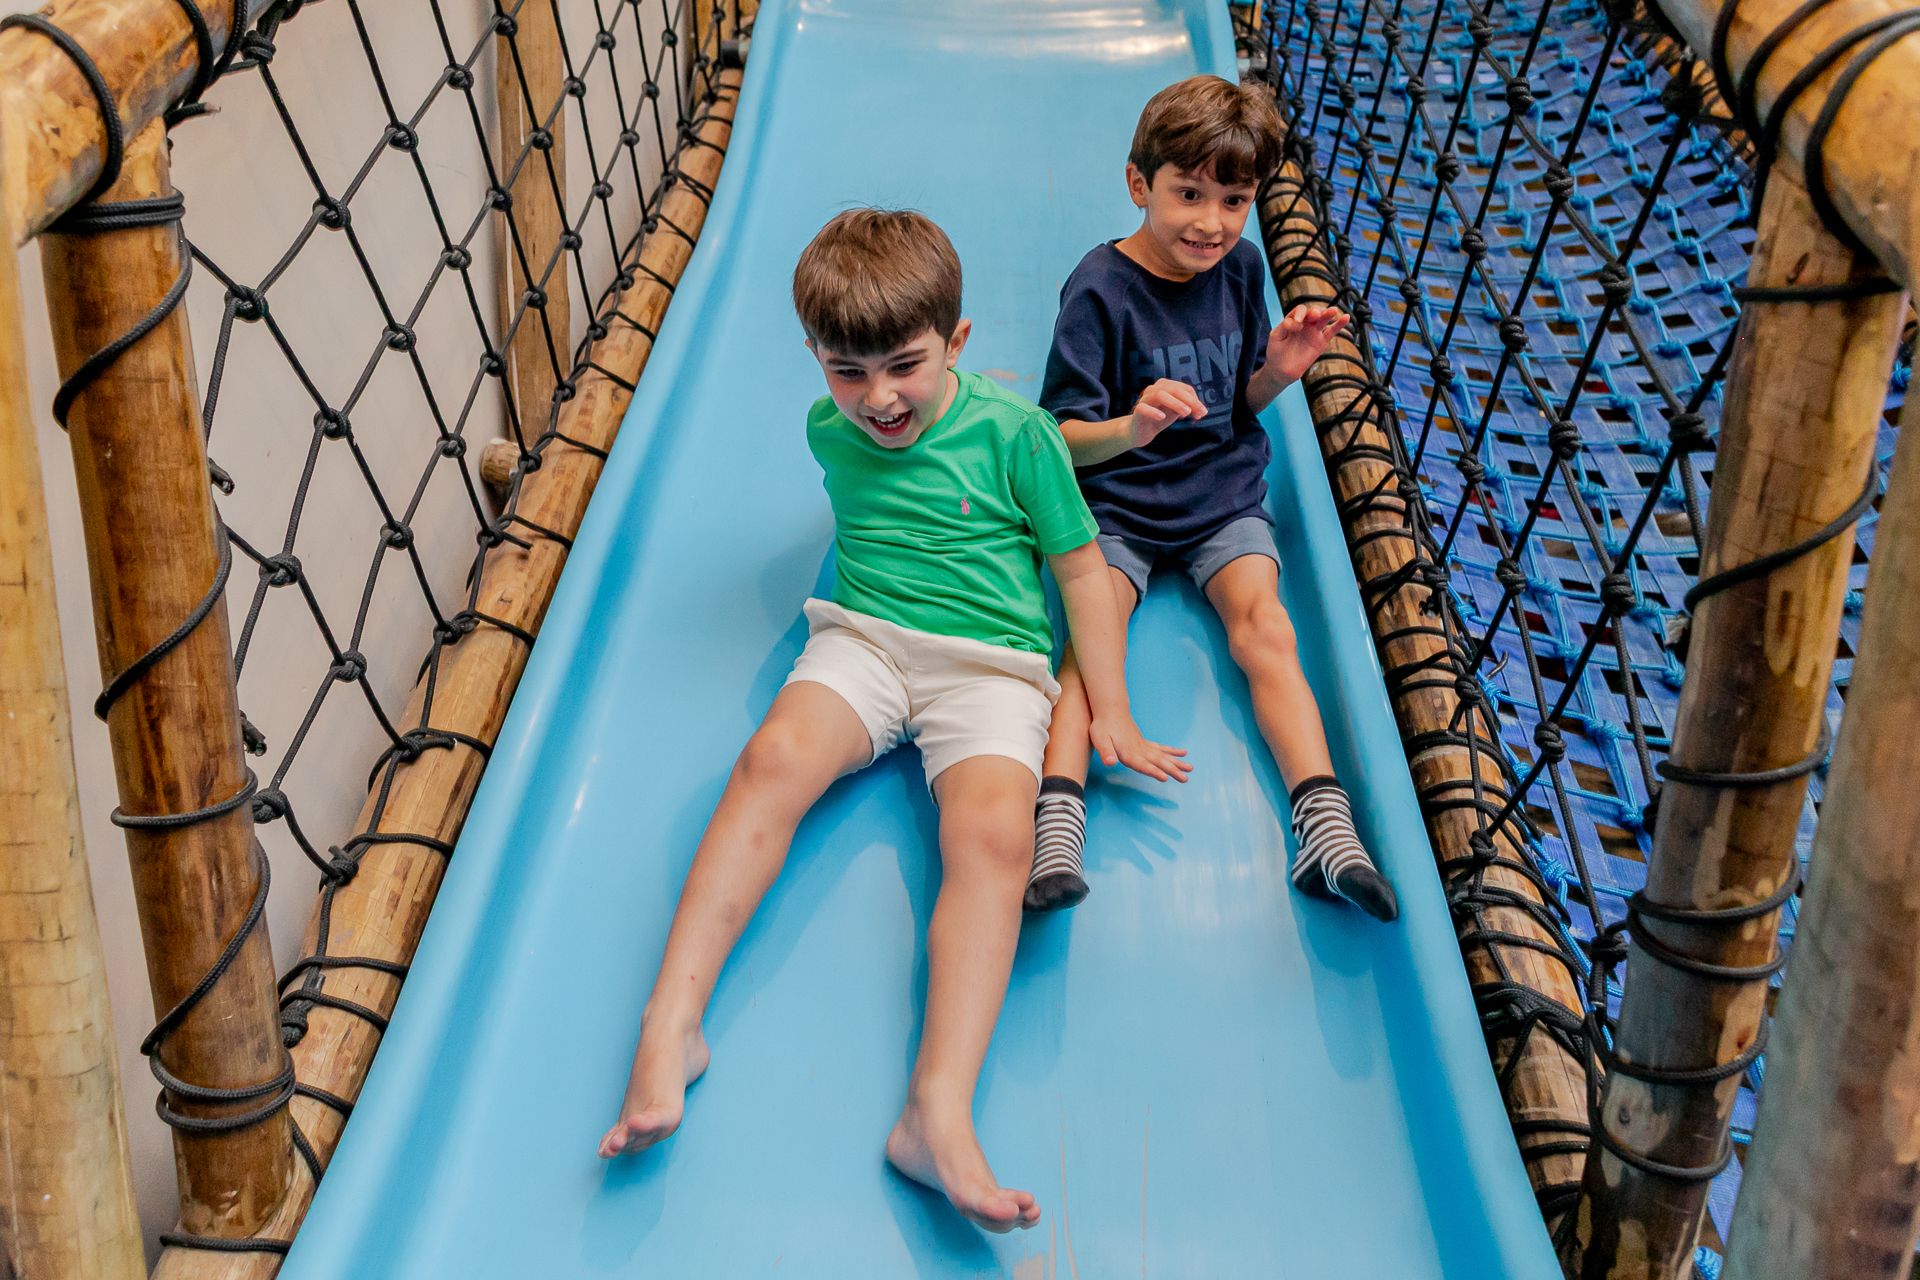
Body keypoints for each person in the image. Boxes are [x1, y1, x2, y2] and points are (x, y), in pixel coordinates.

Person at [598, 209, 1188, 1233]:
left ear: (957, 343)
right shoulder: (827, 428)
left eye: (903, 366)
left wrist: (1115, 711)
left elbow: (1083, 575)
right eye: (845, 370)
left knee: (997, 835)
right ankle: (671, 1021)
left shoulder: (1019, 434)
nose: (876, 399)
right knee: (769, 760)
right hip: (866, 638)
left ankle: (936, 1109)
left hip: (989, 665)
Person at [1025, 75, 1397, 924]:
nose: (1210, 221)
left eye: (1234, 199)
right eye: (1188, 194)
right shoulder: (1098, 290)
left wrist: (1279, 370)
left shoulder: (1243, 267)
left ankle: (1325, 829)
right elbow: (1060, 439)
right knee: (1092, 643)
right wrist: (1134, 426)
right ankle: (1056, 824)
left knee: (1267, 626)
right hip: (1116, 500)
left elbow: (1237, 403)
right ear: (1139, 185)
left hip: (1221, 493)